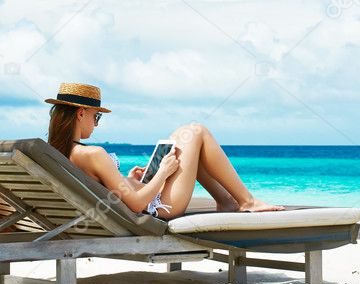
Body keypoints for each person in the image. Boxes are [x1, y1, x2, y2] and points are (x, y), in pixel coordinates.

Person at [43, 82, 283, 220]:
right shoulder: (92, 154)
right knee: (197, 131)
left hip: (146, 199)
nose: (96, 123)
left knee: (182, 136)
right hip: (160, 207)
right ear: (81, 113)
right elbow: (136, 204)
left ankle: (226, 201)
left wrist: (129, 180)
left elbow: (106, 191)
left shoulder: (59, 153)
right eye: (96, 116)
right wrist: (162, 173)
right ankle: (246, 200)